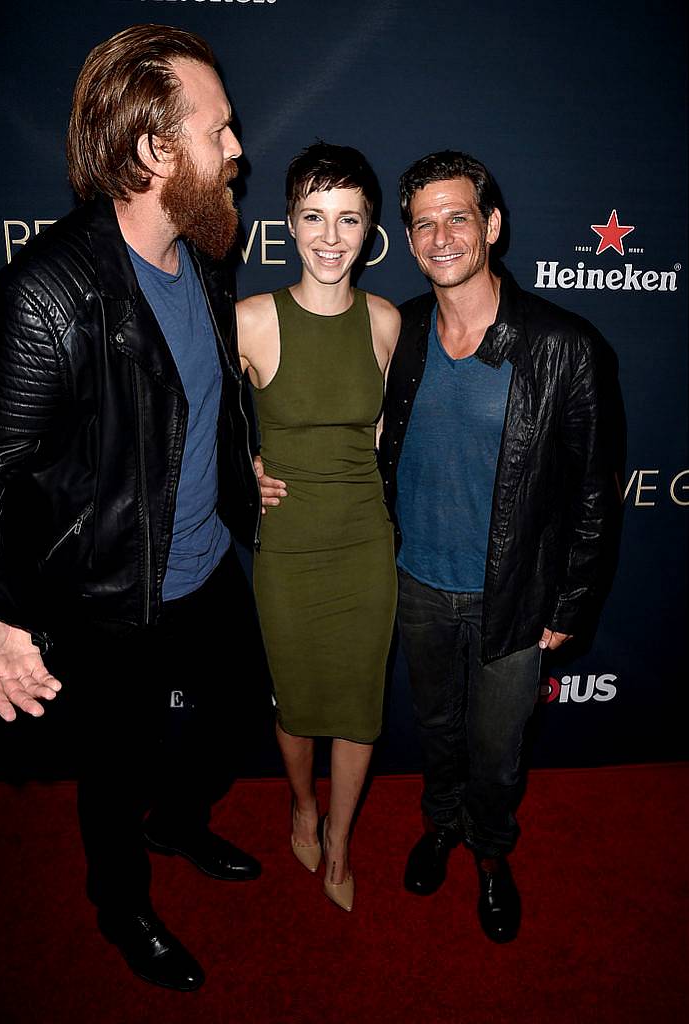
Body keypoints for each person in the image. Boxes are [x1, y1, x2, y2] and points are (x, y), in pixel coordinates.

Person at [0, 25, 284, 991]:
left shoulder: (208, 258)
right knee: (113, 770)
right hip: (111, 597)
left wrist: (233, 467)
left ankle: (178, 826)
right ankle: (122, 901)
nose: (237, 152)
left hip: (209, 564)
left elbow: (191, 406)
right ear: (153, 151)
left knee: (229, 720)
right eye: (219, 131)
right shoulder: (47, 292)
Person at [379, 150, 612, 942]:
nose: (441, 235)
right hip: (416, 584)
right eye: (423, 223)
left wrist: (566, 605)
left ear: (492, 225)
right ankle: (440, 823)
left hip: (513, 596)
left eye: (458, 217)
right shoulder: (397, 332)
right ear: (408, 239)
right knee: (436, 728)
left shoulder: (563, 346)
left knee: (498, 750)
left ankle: (490, 852)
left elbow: (591, 496)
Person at [236, 143, 400, 912]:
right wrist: (241, 471)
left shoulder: (386, 322)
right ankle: (303, 804)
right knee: (298, 703)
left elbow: (379, 442)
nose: (329, 238)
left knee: (360, 705)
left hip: (365, 546)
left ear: (369, 232)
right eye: (313, 217)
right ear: (290, 224)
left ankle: (338, 841)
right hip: (289, 550)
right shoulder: (250, 320)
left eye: (348, 220)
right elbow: (191, 426)